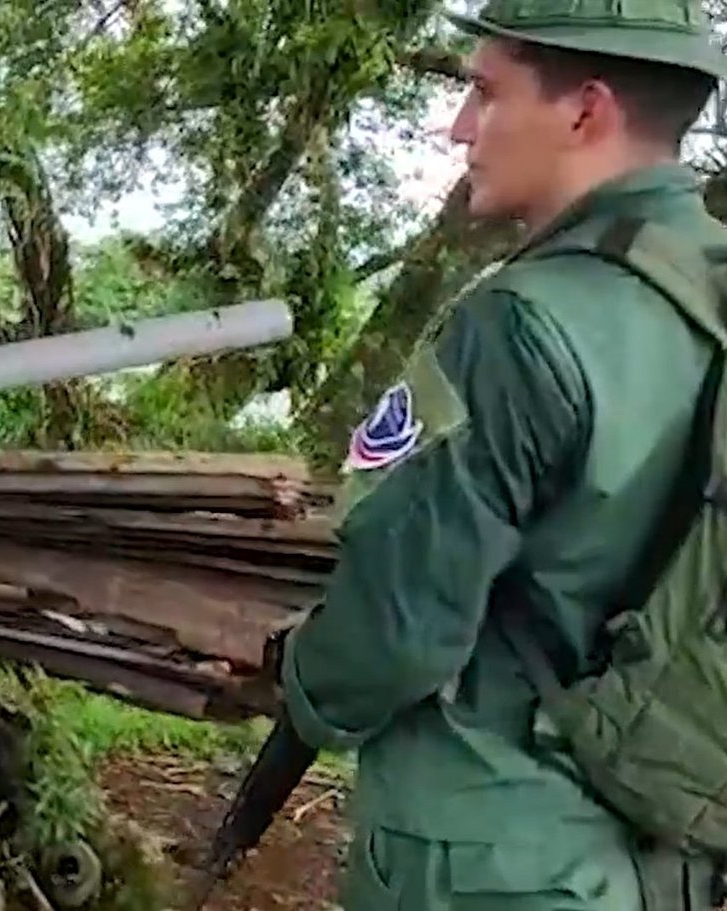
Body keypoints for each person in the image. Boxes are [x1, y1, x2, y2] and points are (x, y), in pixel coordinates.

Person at [275, 0, 727, 908]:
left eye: (485, 91)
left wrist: (298, 674)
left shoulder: (522, 324)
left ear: (584, 109)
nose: (458, 128)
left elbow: (394, 631)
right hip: (661, 858)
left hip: (488, 859)